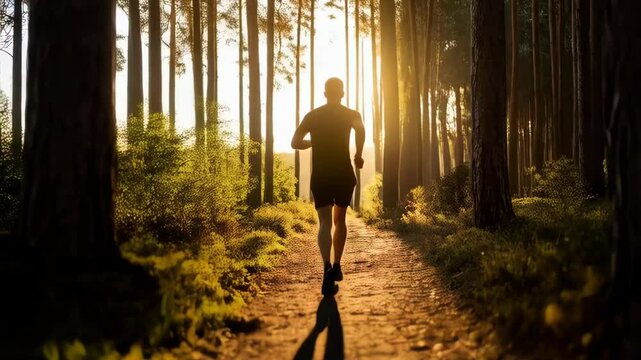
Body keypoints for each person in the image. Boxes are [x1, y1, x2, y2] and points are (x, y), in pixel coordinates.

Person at [291, 77, 365, 296]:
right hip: (343, 173)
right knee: (339, 220)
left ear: (324, 94)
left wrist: (314, 142)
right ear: (342, 93)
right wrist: (358, 155)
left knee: (324, 222)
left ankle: (326, 267)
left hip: (321, 175)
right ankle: (338, 264)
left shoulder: (313, 116)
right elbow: (360, 130)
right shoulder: (352, 114)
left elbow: (295, 142)